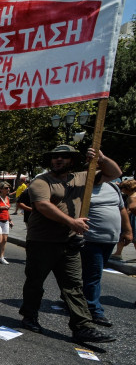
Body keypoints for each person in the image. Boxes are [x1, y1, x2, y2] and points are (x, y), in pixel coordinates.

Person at [19, 145, 120, 344]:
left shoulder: (84, 177)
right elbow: (42, 206)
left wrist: (101, 158)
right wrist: (71, 222)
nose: (58, 160)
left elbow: (115, 173)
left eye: (64, 157)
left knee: (73, 286)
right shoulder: (41, 181)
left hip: (69, 242)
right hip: (42, 242)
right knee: (35, 283)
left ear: (72, 161)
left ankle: (83, 327)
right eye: (55, 157)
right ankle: (29, 316)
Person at [80, 180, 132, 326]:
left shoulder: (112, 186)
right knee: (94, 274)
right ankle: (94, 310)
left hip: (109, 240)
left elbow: (121, 209)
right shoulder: (83, 187)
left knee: (90, 273)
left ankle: (77, 299)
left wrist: (127, 230)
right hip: (90, 239)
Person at [111, 179, 136, 261]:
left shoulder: (131, 197)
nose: (121, 190)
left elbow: (131, 208)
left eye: (122, 188)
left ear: (126, 189)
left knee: (124, 234)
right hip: (133, 218)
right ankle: (118, 253)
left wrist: (124, 215)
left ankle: (118, 253)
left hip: (132, 219)